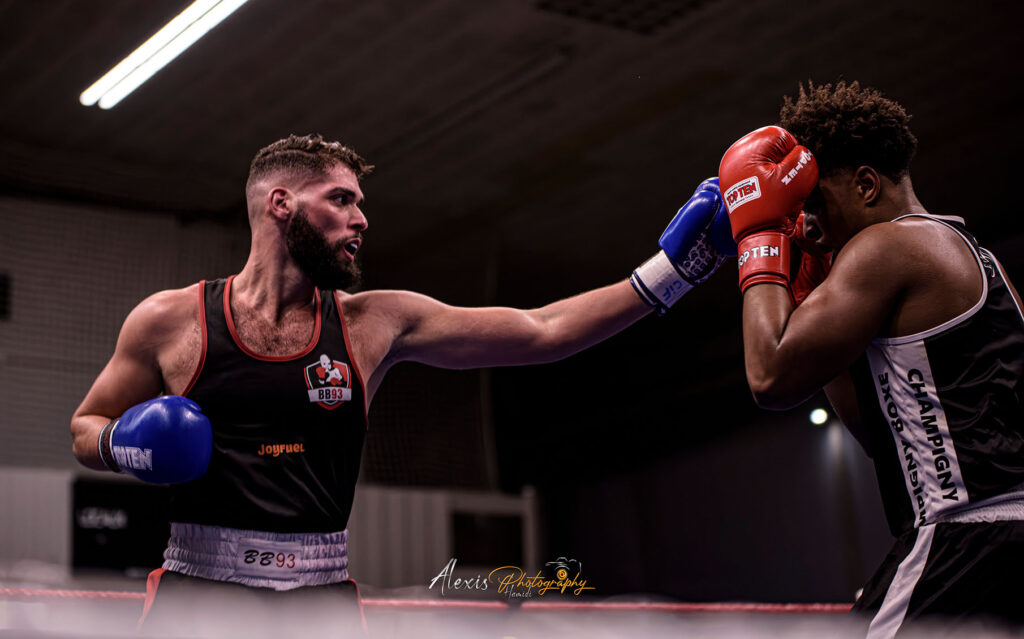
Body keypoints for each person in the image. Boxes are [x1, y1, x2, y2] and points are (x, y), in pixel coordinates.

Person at [69, 134, 735, 631]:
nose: (361, 219)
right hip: (197, 594)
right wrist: (125, 444)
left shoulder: (373, 322)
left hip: (318, 600)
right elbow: (85, 427)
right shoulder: (169, 320)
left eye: (360, 204)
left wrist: (670, 273)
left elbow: (542, 329)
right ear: (280, 204)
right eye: (341, 199)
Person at [718, 81, 1024, 636]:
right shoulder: (981, 259)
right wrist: (809, 296)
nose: (806, 225)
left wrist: (760, 236)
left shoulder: (886, 247)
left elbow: (769, 375)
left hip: (966, 535)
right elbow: (884, 433)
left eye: (813, 205)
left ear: (864, 184)